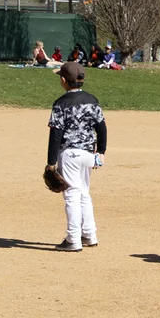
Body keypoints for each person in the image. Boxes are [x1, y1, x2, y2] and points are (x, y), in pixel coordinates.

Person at [47, 60, 107, 252]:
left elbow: (55, 134)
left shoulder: (60, 104)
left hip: (70, 155)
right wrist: (101, 152)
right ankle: (89, 234)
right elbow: (102, 128)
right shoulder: (92, 100)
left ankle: (73, 238)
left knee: (71, 195)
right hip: (89, 154)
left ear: (64, 81)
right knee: (83, 193)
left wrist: (50, 163)